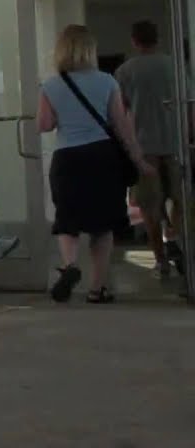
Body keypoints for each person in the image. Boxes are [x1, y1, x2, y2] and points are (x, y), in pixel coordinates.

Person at [38, 25, 151, 304]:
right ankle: (97, 288)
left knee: (67, 219)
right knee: (102, 226)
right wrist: (138, 159)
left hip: (67, 158)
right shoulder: (107, 81)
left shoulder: (51, 85)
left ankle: (70, 265)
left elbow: (45, 124)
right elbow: (121, 125)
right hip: (102, 157)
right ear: (90, 49)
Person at [114, 20, 186, 279]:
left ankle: (161, 260)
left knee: (149, 207)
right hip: (175, 143)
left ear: (134, 41)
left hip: (144, 147)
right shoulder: (174, 66)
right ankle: (176, 237)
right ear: (157, 38)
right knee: (180, 200)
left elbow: (119, 112)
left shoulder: (125, 71)